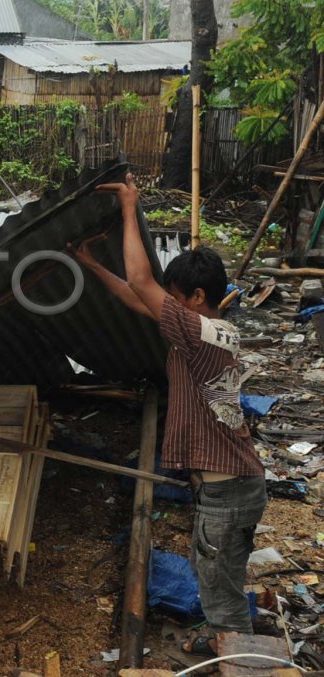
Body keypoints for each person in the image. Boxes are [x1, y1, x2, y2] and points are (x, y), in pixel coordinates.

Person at [70, 173, 266, 657]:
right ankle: (226, 642)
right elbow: (134, 295)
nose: (167, 302)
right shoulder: (211, 327)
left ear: (196, 299)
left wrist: (131, 207)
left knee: (221, 593)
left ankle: (240, 660)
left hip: (228, 491)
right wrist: (90, 264)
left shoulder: (199, 331)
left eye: (174, 294)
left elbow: (141, 280)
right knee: (213, 575)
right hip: (229, 487)